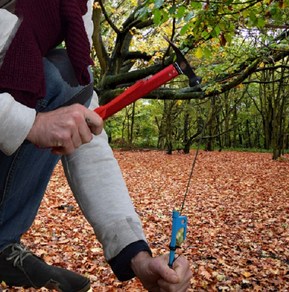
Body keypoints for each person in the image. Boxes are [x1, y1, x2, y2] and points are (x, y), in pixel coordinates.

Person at [0, 0, 192, 291]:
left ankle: (1, 243)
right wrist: (30, 124)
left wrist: (136, 255)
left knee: (70, 76)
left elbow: (86, 131)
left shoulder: (75, 11)